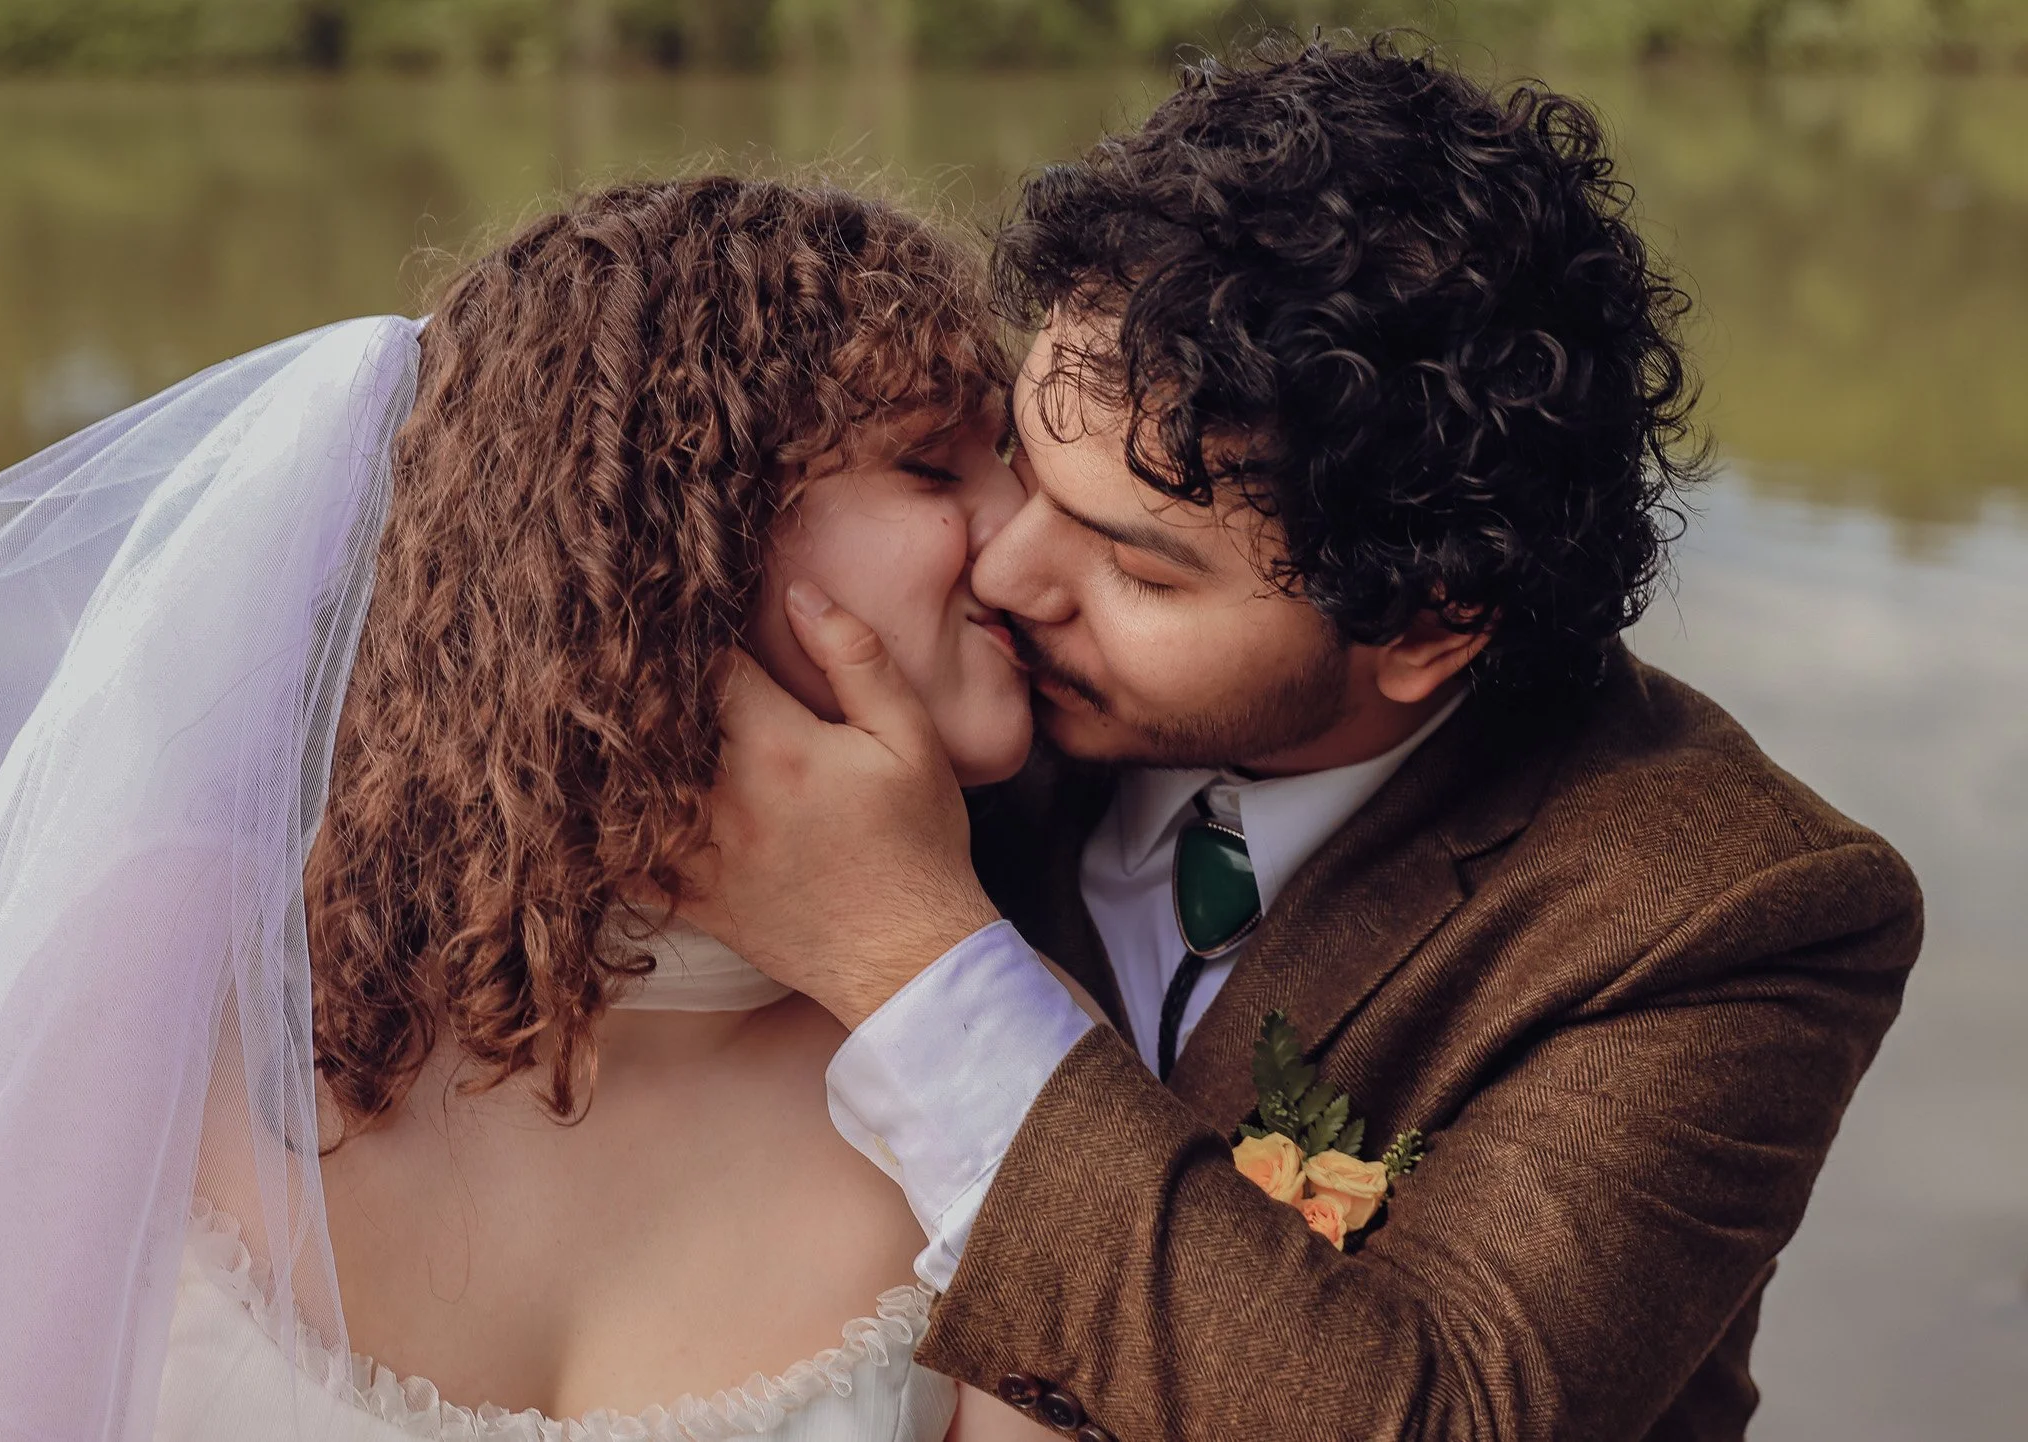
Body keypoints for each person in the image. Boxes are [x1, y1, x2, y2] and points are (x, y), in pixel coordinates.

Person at [681, 37, 1925, 1440]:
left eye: (1137, 569)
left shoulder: (1730, 908)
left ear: (1427, 625)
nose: (1009, 575)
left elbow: (1440, 1419)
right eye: (1025, 464)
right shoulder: (936, 697)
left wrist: (909, 956)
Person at [0, 177, 1051, 1442]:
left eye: (1015, 463)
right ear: (659, 525)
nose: (1027, 539)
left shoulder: (1012, 1061)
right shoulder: (179, 948)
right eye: (931, 465)